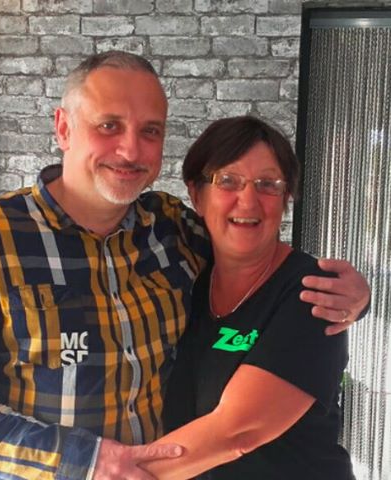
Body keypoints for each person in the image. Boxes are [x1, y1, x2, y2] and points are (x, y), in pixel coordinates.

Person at [0, 52, 368, 480]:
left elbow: (252, 252)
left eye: (150, 131)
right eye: (109, 125)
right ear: (64, 128)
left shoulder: (170, 229)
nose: (131, 150)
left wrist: (355, 296)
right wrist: (87, 462)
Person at [144, 116, 355, 479]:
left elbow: (237, 432)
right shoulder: (185, 279)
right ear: (196, 195)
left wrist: (115, 471)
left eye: (268, 184)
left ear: (285, 198)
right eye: (228, 181)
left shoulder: (314, 291)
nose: (248, 200)